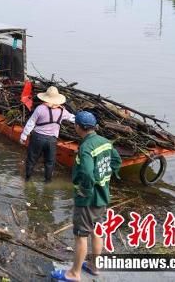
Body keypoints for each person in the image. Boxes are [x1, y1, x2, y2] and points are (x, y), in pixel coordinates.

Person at [51, 111, 121, 282]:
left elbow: (88, 173)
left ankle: (74, 274)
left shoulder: (86, 147)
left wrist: (86, 191)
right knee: (97, 230)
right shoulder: (105, 142)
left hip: (88, 199)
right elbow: (116, 161)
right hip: (102, 196)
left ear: (78, 127)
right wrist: (104, 178)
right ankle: (94, 266)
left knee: (81, 236)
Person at [20, 86, 75, 182]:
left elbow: (31, 123)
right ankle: (48, 181)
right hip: (51, 140)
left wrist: (24, 136)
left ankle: (27, 179)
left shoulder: (40, 108)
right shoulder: (62, 111)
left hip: (37, 138)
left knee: (32, 159)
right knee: (50, 162)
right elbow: (72, 118)